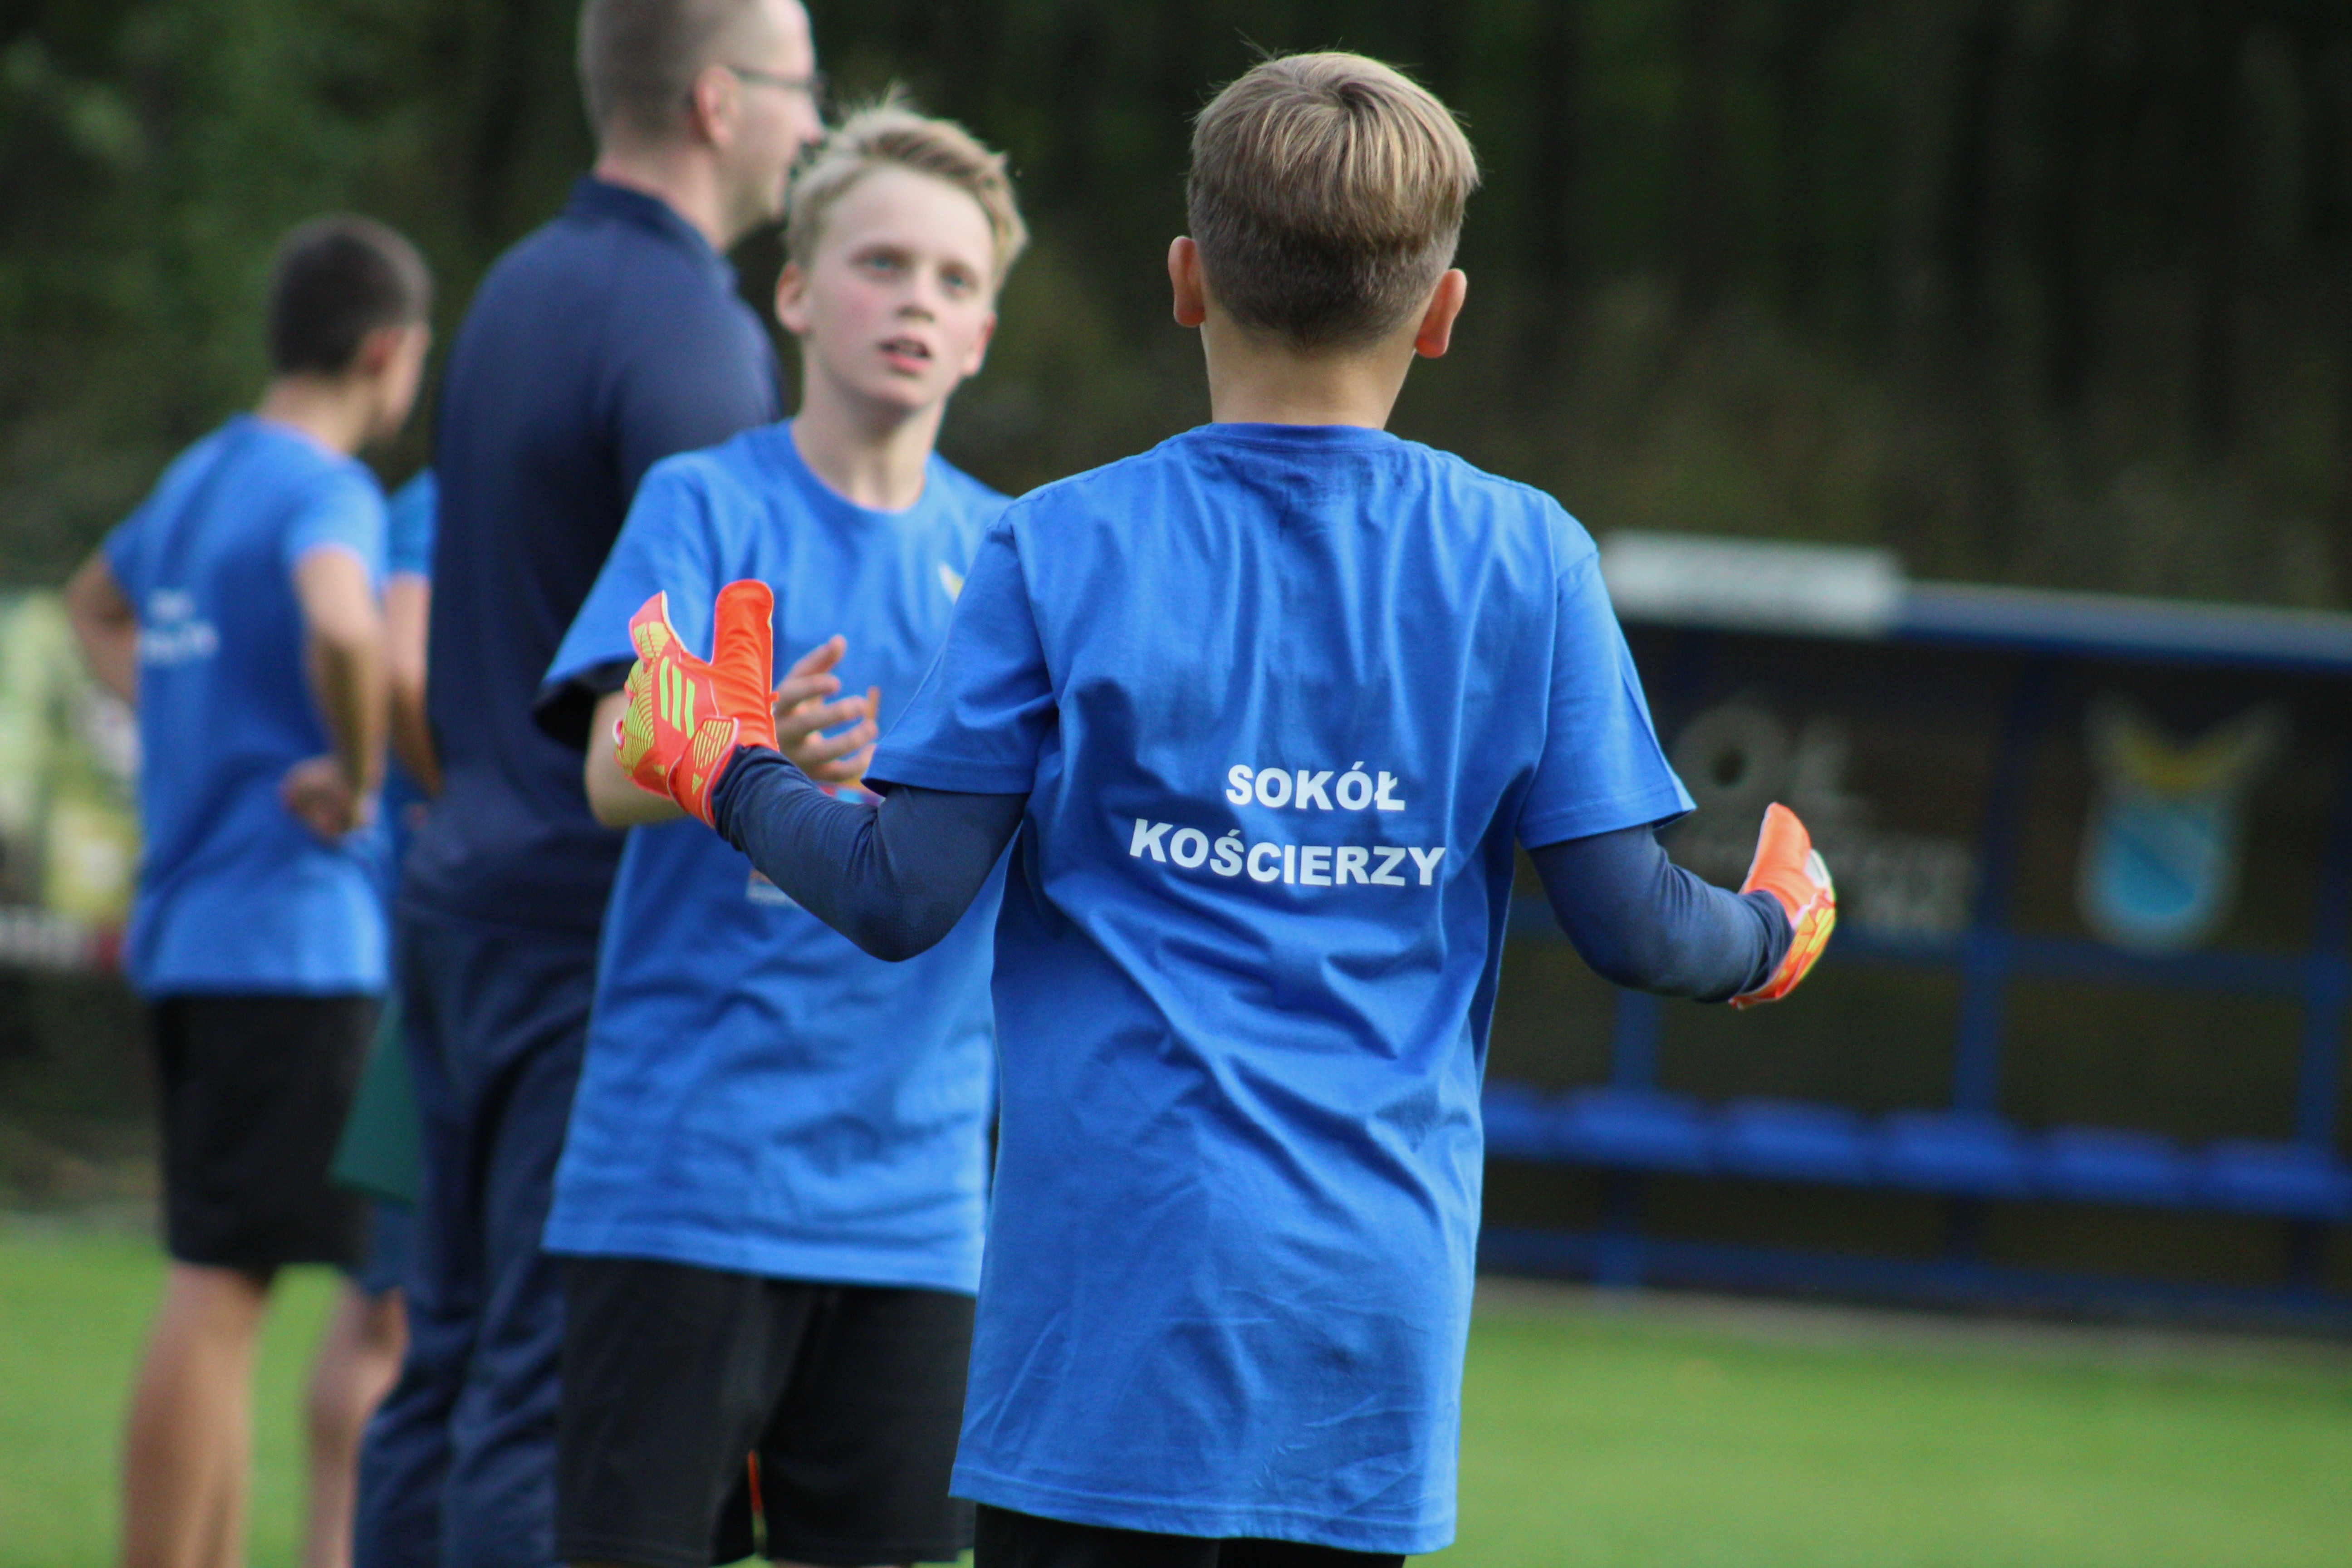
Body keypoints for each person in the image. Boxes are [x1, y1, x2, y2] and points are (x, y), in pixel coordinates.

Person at [610, 53, 1836, 1568]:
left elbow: (893, 891)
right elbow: (1643, 926)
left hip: (1104, 1305)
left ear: (1187, 280)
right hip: (1362, 1318)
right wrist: (1772, 928)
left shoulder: (1057, 545)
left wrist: (723, 764)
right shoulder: (1528, 559)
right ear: (1440, 313)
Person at [353, 0, 824, 1563]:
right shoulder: (691, 332)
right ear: (712, 101)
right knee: (538, 1388)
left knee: (440, 1358)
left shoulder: (519, 284)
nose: (814, 123)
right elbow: (704, 685)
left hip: (456, 895)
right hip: (580, 932)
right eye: (797, 86)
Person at [532, 103, 1026, 1568]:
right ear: (798, 292)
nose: (915, 300)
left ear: (984, 330)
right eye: (881, 262)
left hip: (918, 1200)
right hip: (684, 1173)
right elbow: (612, 758)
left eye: (950, 279)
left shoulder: (1014, 556)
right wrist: (749, 756)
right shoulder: (707, 501)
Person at [60, 215, 432, 1568]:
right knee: (221, 1294)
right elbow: (348, 625)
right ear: (389, 353)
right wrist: (353, 763)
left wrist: (180, 719)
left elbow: (91, 606)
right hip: (288, 941)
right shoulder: (325, 489)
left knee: (229, 1284)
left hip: (188, 934)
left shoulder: (200, 475)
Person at [310, 466, 441, 1568]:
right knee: (388, 1311)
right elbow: (400, 666)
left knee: (396, 1310)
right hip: (442, 960)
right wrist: (488, 812)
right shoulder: (449, 501)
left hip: (456, 957)